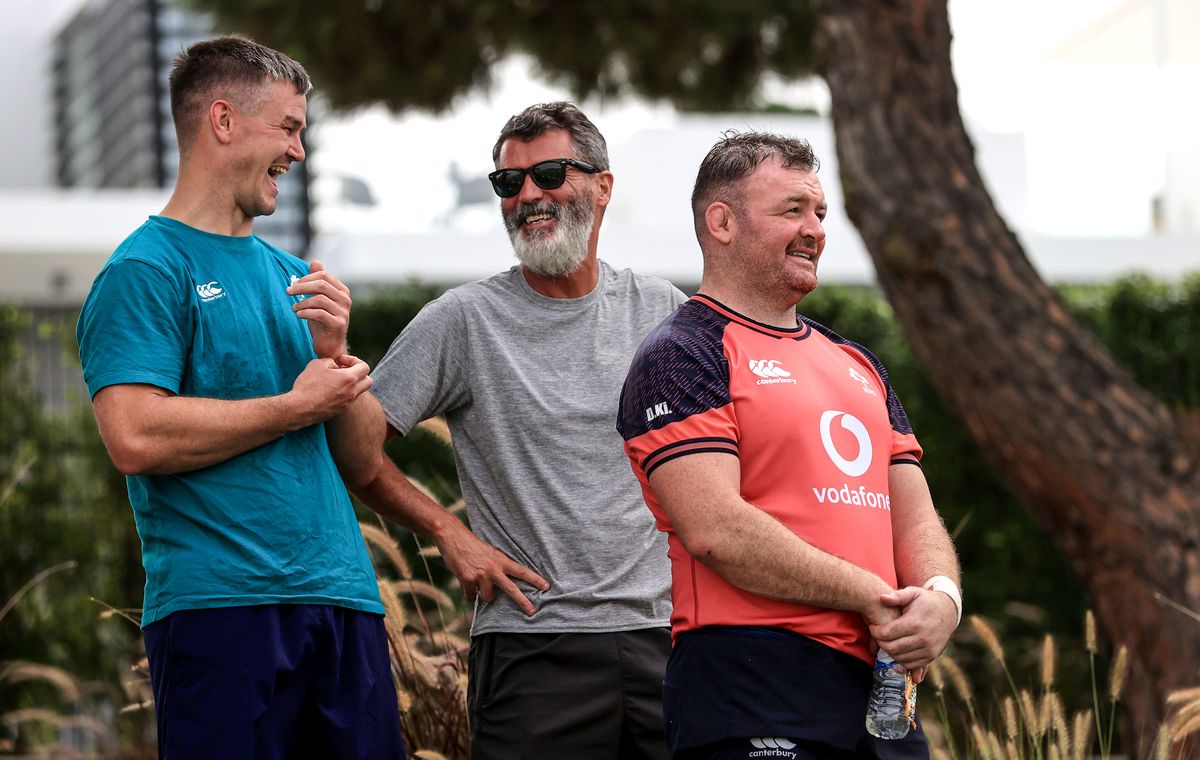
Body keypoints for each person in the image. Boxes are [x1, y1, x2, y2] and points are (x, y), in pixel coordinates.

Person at [75, 36, 405, 759]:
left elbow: (359, 458)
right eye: (288, 128)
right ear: (223, 121)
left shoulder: (298, 278)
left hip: (343, 602)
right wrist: (294, 405)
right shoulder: (144, 271)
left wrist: (334, 358)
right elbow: (134, 436)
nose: (300, 151)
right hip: (222, 612)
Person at [334, 102, 687, 759]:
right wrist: (448, 531)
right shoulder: (462, 320)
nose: (528, 195)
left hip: (667, 639)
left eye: (549, 174)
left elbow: (724, 458)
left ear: (602, 185)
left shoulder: (663, 308)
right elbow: (357, 453)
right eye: (509, 183)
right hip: (531, 650)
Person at [616, 131, 962, 760]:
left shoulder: (858, 362)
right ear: (721, 222)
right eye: (791, 210)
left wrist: (943, 598)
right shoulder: (683, 352)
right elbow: (716, 529)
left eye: (820, 213)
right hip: (752, 674)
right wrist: (871, 595)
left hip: (885, 690)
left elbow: (914, 514)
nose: (814, 229)